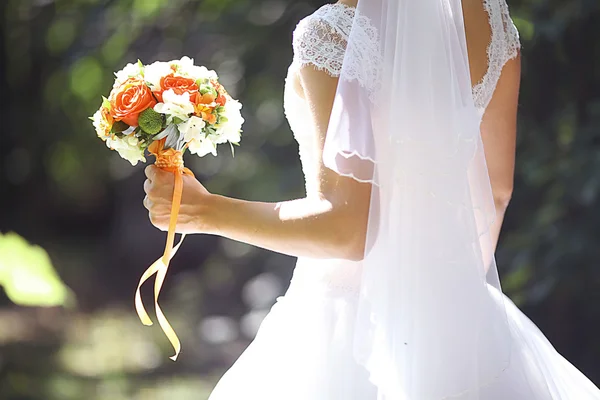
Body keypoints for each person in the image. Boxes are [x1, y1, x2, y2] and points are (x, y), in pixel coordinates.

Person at [143, 0, 600, 398]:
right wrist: (443, 296)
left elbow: (347, 228)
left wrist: (205, 211)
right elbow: (497, 192)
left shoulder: (331, 35)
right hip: (460, 320)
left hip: (346, 329)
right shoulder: (490, 21)